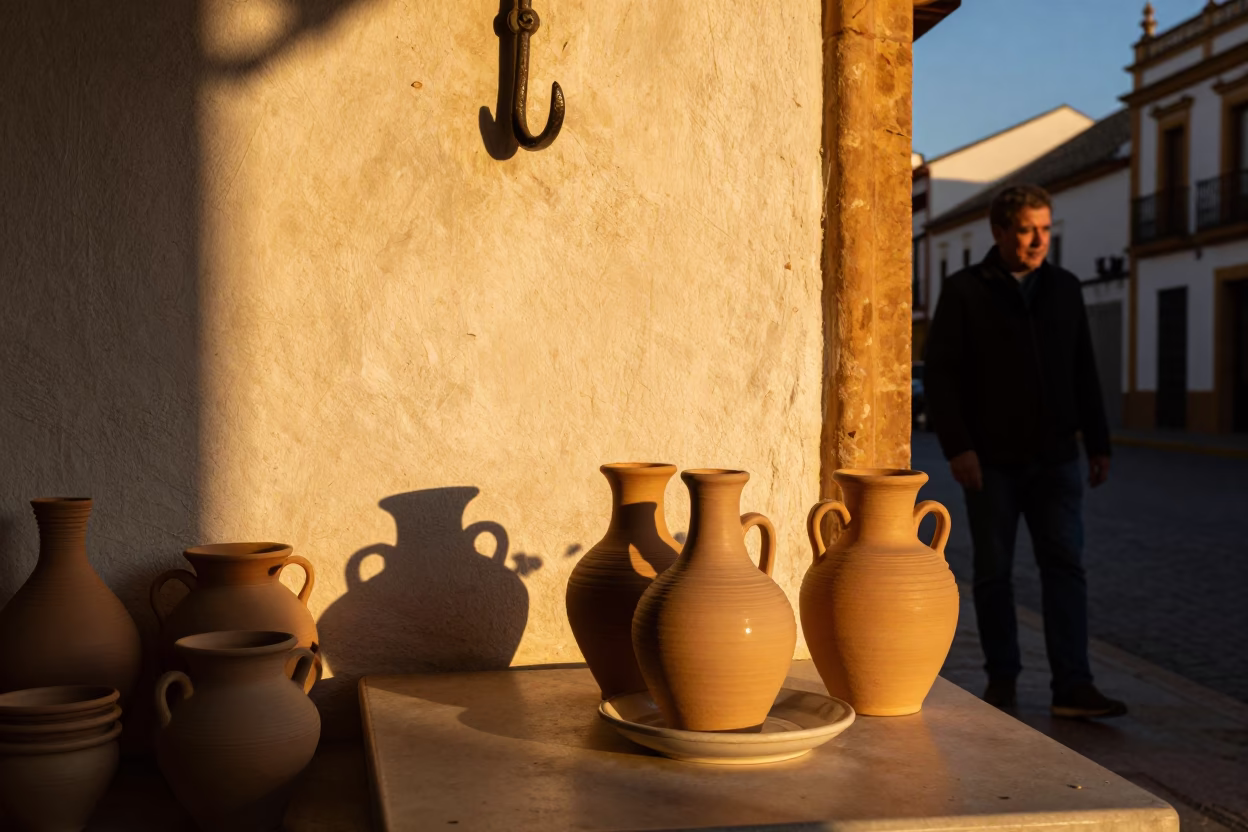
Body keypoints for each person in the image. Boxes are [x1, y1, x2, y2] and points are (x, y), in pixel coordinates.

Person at [923, 184, 1126, 718]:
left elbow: (1083, 367)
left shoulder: (1065, 288)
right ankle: (1002, 681)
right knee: (994, 572)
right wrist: (959, 447)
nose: (1038, 240)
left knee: (1065, 567)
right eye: (1026, 230)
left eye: (1045, 229)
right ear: (999, 232)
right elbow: (941, 376)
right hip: (991, 463)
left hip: (1056, 459)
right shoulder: (965, 291)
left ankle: (1073, 687)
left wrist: (1098, 441)